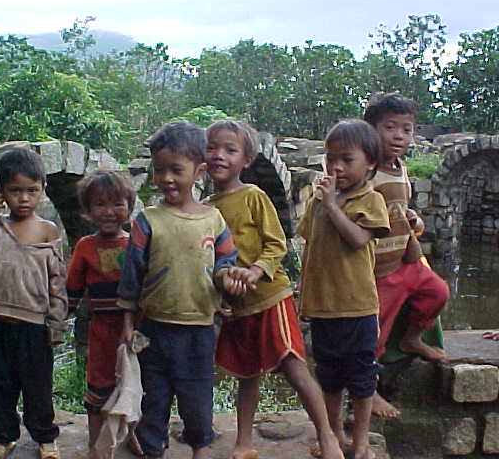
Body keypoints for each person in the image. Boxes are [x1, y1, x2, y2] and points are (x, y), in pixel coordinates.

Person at [204, 120, 344, 459]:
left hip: (271, 297)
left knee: (294, 366)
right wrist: (220, 292)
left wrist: (256, 270)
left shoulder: (253, 196)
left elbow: (276, 243)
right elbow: (208, 261)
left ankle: (327, 436)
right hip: (237, 306)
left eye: (230, 150)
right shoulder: (206, 208)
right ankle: (244, 442)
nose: (219, 155)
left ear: (246, 160)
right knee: (246, 374)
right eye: (212, 148)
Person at [117, 121, 249, 459]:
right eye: (159, 170)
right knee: (153, 400)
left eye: (176, 170)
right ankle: (152, 451)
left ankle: (199, 450)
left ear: (199, 171)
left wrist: (228, 280)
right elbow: (132, 276)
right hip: (154, 329)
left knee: (197, 399)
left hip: (199, 331)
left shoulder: (213, 220)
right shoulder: (147, 221)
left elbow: (224, 263)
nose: (167, 179)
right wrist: (128, 323)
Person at [0, 148, 67, 459]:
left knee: (38, 388)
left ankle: (45, 437)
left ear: (43, 189)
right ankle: (4, 436)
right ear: (1, 192)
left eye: (31, 191)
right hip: (0, 322)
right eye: (14, 191)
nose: (23, 198)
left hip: (35, 326)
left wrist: (57, 321)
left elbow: (56, 279)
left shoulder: (48, 230)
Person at [297, 119, 390, 459]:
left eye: (346, 160)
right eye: (330, 159)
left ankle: (362, 440)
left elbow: (358, 239)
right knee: (329, 377)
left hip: (358, 308)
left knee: (363, 379)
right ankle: (334, 434)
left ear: (370, 164)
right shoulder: (319, 201)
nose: (336, 167)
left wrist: (333, 206)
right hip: (324, 309)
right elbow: (310, 246)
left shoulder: (371, 199)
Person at [364, 93, 450, 418]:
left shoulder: (400, 168)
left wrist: (414, 219)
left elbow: (402, 208)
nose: (399, 136)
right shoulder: (367, 170)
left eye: (407, 129)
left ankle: (413, 337)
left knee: (437, 293)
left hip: (406, 258)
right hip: (380, 268)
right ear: (371, 130)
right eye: (390, 127)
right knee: (375, 331)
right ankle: (368, 389)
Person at [65, 170, 141, 457]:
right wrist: (57, 321)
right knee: (99, 386)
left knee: (132, 385)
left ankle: (131, 434)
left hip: (134, 329)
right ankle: (95, 444)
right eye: (100, 204)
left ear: (129, 207)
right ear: (87, 210)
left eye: (117, 204)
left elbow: (146, 284)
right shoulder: (86, 247)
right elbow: (72, 288)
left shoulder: (135, 242)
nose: (109, 212)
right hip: (101, 331)